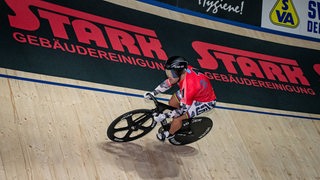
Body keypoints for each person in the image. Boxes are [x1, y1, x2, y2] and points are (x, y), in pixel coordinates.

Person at [144, 56, 217, 141]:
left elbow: (182, 111)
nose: (169, 75)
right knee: (172, 102)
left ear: (179, 73)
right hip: (194, 92)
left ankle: (169, 134)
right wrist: (154, 92)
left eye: (171, 73)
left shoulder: (189, 86)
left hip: (205, 101)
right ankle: (177, 123)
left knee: (178, 119)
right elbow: (168, 82)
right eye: (168, 72)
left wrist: (165, 116)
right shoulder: (182, 72)